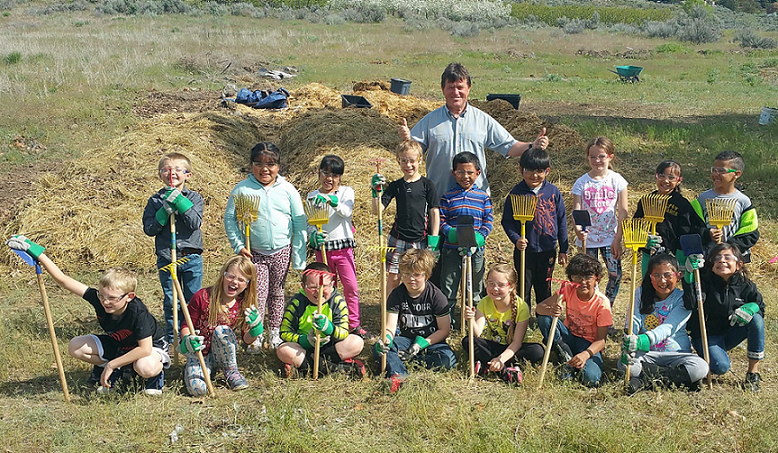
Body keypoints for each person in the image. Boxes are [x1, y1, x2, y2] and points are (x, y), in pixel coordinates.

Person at [6, 235, 168, 395]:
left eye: (112, 298)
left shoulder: (138, 312)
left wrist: (112, 364)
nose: (105, 302)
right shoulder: (99, 299)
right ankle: (118, 368)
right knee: (76, 346)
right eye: (102, 296)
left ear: (129, 297)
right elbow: (63, 280)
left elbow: (144, 349)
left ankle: (154, 375)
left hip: (149, 349)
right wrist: (37, 253)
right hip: (120, 345)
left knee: (144, 366)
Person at [398, 62, 549, 198]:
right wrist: (407, 140)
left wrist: (532, 146)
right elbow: (412, 154)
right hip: (439, 200)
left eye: (460, 87)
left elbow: (509, 146)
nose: (455, 92)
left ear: (468, 88)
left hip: (475, 201)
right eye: (450, 87)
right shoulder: (430, 121)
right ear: (443, 89)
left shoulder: (483, 120)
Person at [224, 142, 307, 351]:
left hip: (281, 250)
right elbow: (230, 219)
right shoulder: (242, 189)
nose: (265, 169)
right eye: (258, 164)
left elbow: (299, 222)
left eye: (271, 164)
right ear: (251, 165)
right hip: (255, 253)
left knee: (277, 292)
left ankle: (275, 332)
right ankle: (256, 333)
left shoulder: (288, 190)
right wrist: (238, 245)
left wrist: (298, 256)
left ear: (279, 166)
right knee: (258, 294)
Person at [620, 253, 709, 394]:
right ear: (650, 277)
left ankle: (643, 380)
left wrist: (643, 340)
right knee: (625, 365)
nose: (662, 281)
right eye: (656, 275)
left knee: (700, 367)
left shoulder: (682, 299)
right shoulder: (639, 293)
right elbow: (633, 320)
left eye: (668, 275)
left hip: (676, 355)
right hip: (647, 354)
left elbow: (669, 327)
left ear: (678, 276)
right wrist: (630, 339)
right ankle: (680, 380)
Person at [683, 243, 765, 392]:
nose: (722, 261)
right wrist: (688, 276)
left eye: (727, 257)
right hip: (706, 335)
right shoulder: (702, 281)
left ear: (739, 265)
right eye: (717, 258)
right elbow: (690, 303)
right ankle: (701, 360)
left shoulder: (746, 286)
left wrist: (753, 307)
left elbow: (760, 306)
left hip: (730, 334)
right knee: (721, 367)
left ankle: (753, 373)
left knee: (757, 319)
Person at [142, 152, 204, 346]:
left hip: (191, 257)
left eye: (178, 169)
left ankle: (193, 334)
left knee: (193, 299)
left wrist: (181, 203)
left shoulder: (195, 197)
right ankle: (173, 338)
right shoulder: (155, 201)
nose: (172, 173)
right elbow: (149, 229)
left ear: (188, 174)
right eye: (167, 170)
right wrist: (163, 212)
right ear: (161, 174)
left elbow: (195, 222)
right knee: (171, 300)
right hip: (167, 257)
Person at [373, 249, 456, 392]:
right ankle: (400, 375)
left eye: (417, 275)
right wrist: (385, 339)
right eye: (406, 274)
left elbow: (444, 330)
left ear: (427, 275)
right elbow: (390, 327)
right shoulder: (396, 295)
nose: (411, 279)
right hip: (406, 339)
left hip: (431, 341)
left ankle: (403, 361)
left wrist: (421, 345)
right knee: (377, 348)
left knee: (448, 360)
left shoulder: (437, 297)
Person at [179, 256, 262, 396]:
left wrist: (256, 328)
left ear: (248, 284)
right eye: (231, 276)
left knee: (222, 330)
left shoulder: (244, 304)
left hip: (224, 354)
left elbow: (246, 340)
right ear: (223, 275)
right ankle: (200, 369)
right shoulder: (202, 296)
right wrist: (187, 340)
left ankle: (230, 370)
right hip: (199, 353)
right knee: (198, 390)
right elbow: (186, 325)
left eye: (241, 280)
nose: (234, 282)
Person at [306, 155, 366, 337]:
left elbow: (346, 212)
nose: (329, 178)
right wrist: (313, 236)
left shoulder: (346, 192)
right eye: (325, 173)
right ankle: (328, 320)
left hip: (343, 248)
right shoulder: (312, 196)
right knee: (326, 287)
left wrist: (332, 201)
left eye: (334, 175)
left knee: (351, 287)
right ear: (319, 173)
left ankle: (353, 324)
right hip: (323, 249)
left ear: (340, 177)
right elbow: (310, 223)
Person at [501, 148, 568, 309]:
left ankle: (542, 317)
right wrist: (516, 239)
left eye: (540, 171)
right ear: (520, 169)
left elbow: (561, 219)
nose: (534, 175)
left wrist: (563, 249)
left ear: (547, 171)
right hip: (525, 252)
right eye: (529, 170)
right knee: (523, 287)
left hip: (547, 250)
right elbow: (507, 222)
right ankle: (523, 318)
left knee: (544, 287)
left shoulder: (553, 192)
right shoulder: (516, 194)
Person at [371, 140, 440, 296]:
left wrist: (434, 238)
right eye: (404, 161)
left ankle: (417, 309)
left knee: (419, 277)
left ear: (420, 160)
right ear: (398, 161)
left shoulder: (427, 185)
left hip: (420, 239)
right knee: (394, 278)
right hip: (398, 239)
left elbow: (434, 211)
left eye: (412, 161)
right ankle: (390, 311)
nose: (408, 165)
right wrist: (376, 192)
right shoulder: (395, 185)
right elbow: (378, 211)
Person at [277, 262, 365, 378]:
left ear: (333, 284)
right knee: (283, 350)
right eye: (313, 287)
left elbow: (344, 332)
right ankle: (337, 369)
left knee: (356, 342)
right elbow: (284, 332)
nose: (319, 292)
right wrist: (305, 340)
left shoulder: (337, 301)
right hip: (303, 349)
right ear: (303, 286)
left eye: (325, 286)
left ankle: (304, 370)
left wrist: (329, 328)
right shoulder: (296, 303)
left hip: (331, 348)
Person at [536, 253, 612, 387]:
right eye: (577, 277)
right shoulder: (568, 290)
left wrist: (585, 355)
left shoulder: (602, 303)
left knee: (591, 379)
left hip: (589, 344)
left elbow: (601, 341)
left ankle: (574, 361)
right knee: (545, 319)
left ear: (597, 279)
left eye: (588, 277)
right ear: (571, 278)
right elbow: (539, 308)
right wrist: (550, 311)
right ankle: (566, 356)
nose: (582, 282)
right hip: (568, 337)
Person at [462, 264, 544, 384]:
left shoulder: (522, 307)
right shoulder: (484, 303)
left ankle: (489, 365)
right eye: (491, 283)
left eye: (500, 285)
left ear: (511, 286)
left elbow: (516, 342)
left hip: (513, 349)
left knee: (537, 350)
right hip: (494, 346)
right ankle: (506, 370)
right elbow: (477, 333)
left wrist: (501, 360)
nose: (495, 288)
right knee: (467, 341)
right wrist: (470, 320)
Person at [571, 136, 628, 307]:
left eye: (602, 156)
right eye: (593, 156)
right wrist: (578, 231)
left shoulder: (617, 181)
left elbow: (623, 212)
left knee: (615, 274)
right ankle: (590, 308)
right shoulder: (581, 183)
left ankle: (606, 308)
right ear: (588, 157)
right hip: (589, 240)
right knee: (588, 277)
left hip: (610, 237)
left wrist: (618, 239)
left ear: (610, 156)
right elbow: (577, 211)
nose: (597, 160)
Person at [439, 152, 493, 323]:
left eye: (470, 172)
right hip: (452, 249)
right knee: (448, 285)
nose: (465, 176)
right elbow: (441, 220)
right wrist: (450, 232)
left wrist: (480, 236)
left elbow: (489, 221)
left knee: (474, 286)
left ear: (478, 173)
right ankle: (447, 321)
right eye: (461, 172)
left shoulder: (483, 197)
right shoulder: (448, 197)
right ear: (453, 173)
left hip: (475, 251)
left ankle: (474, 320)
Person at [633, 160, 705, 275]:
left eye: (671, 177)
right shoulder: (646, 200)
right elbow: (634, 226)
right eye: (661, 175)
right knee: (648, 285)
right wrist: (644, 239)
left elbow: (690, 229)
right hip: (649, 252)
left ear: (679, 180)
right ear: (656, 176)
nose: (665, 180)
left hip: (674, 254)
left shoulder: (682, 204)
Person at [690, 151, 759, 263]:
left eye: (721, 171)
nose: (716, 174)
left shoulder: (743, 201)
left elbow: (751, 232)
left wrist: (731, 247)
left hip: (734, 260)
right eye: (714, 170)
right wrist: (707, 234)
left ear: (737, 174)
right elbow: (692, 227)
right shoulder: (702, 199)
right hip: (708, 258)